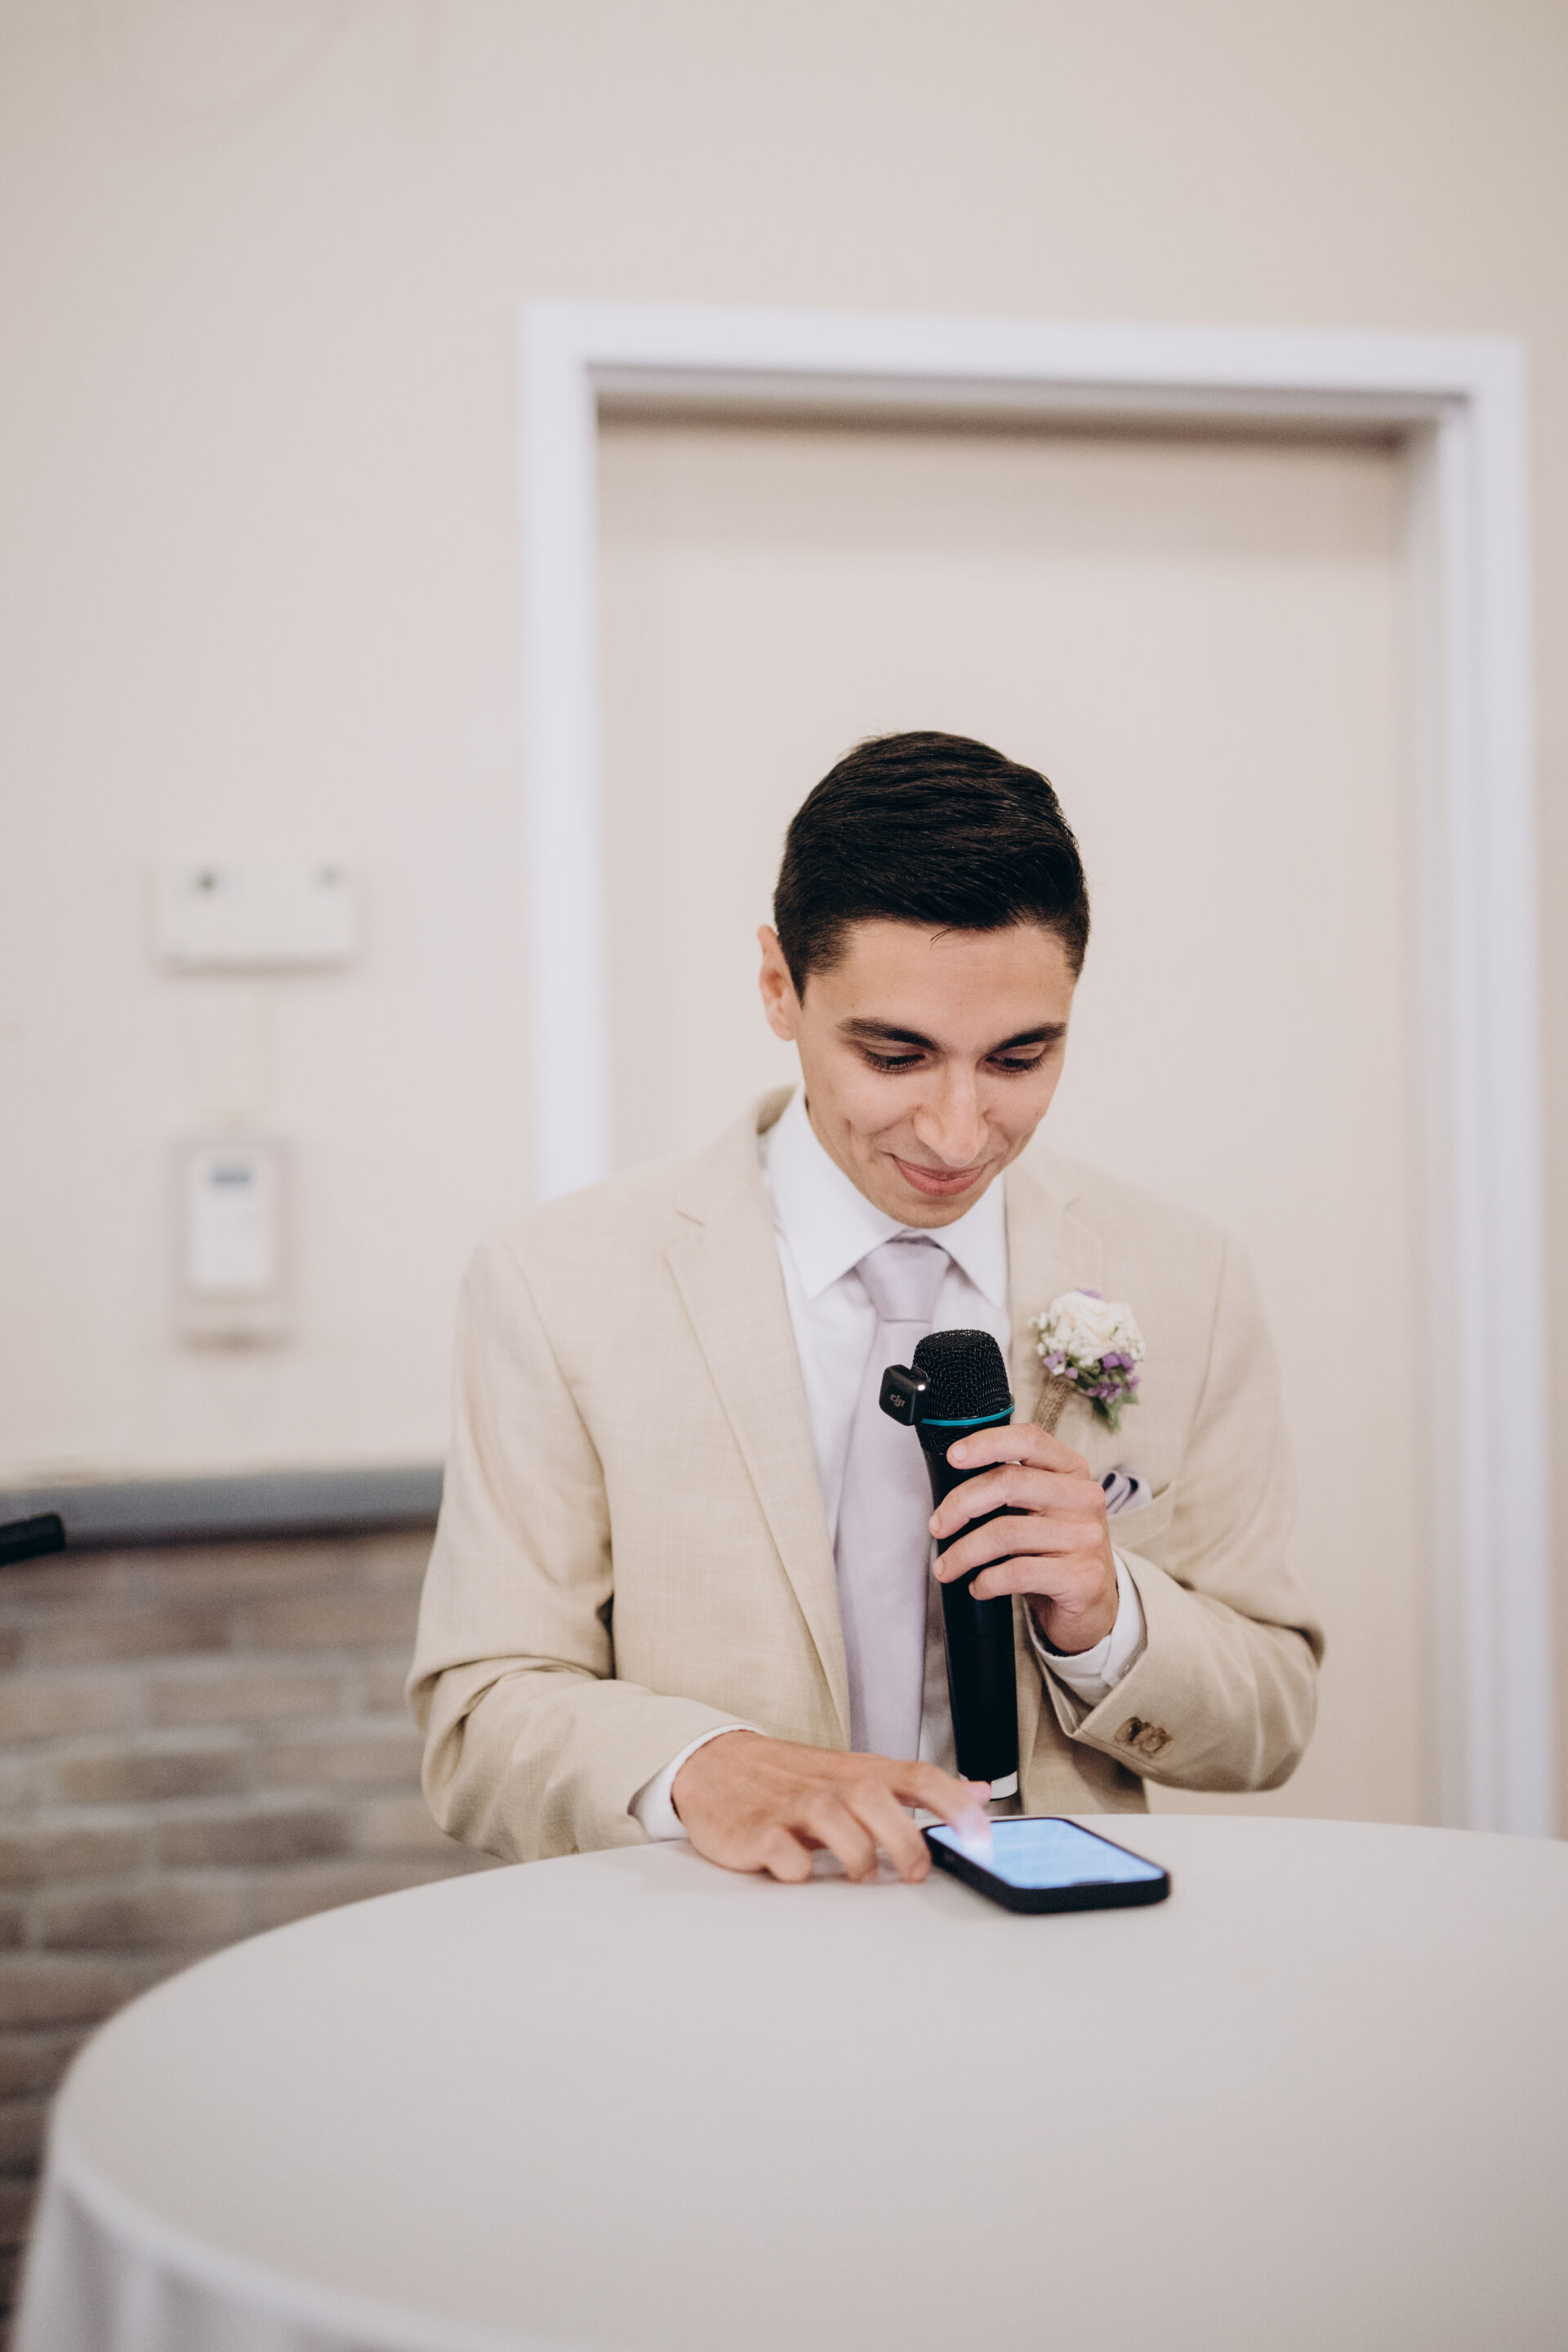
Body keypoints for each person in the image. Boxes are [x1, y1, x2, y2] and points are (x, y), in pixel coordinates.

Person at [410, 732, 1322, 1884]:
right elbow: (479, 1715)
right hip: (722, 1948)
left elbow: (1272, 1717)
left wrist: (1110, 1616)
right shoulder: (555, 1284)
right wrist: (705, 1768)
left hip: (1057, 1952)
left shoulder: (1189, 1275)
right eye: (896, 1055)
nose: (957, 1132)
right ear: (778, 986)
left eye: (1019, 1059)